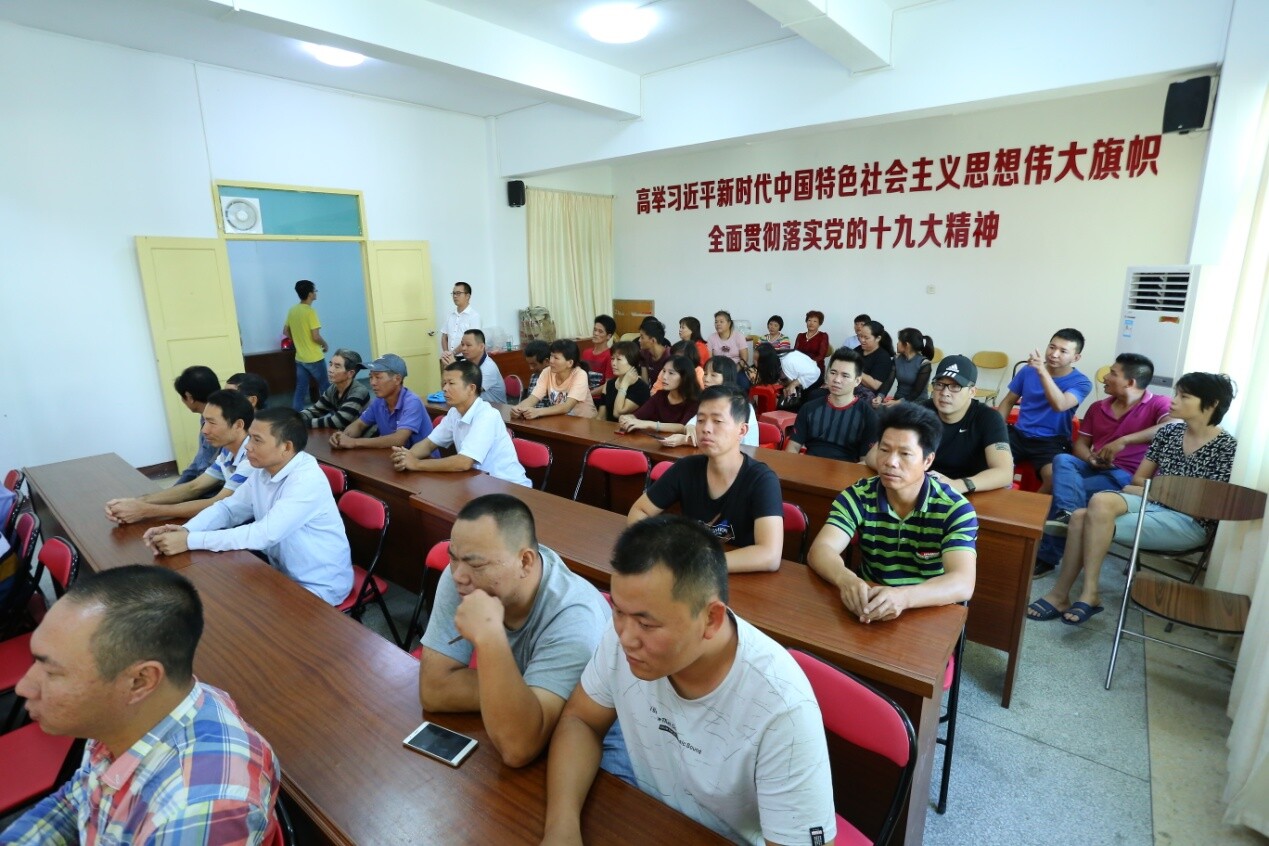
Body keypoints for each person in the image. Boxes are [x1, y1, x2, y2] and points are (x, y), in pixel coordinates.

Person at [540, 516, 835, 846]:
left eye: (647, 625)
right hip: (652, 819)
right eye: (618, 611)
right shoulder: (624, 635)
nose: (626, 637)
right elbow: (581, 720)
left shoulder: (782, 708)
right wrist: (561, 828)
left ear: (711, 619)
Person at [4, 565, 279, 844]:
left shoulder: (196, 811)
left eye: (52, 673)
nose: (24, 687)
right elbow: (79, 800)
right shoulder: (128, 714)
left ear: (139, 681)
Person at [418, 494, 621, 770]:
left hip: (599, 748)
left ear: (525, 562)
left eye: (476, 565)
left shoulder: (576, 617)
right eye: (453, 558)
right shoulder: (465, 579)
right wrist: (518, 695)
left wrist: (490, 638)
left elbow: (518, 746)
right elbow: (433, 690)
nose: (458, 575)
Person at [1027, 373, 1237, 626]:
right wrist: (1161, 493)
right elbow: (1138, 481)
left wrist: (1156, 493)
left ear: (1212, 404)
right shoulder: (1169, 433)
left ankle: (1065, 595)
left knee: (1083, 519)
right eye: (1176, 394)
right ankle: (1083, 593)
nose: (1174, 400)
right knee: (1095, 505)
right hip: (1154, 503)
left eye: (1184, 396)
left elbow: (1204, 507)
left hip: (1188, 522)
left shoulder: (1226, 447)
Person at [144, 408, 354, 605]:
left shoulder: (306, 481)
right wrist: (186, 530)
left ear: (286, 447)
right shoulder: (264, 470)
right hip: (281, 573)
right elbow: (228, 509)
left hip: (319, 585)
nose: (247, 446)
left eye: (257, 440)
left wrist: (190, 541)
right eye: (249, 437)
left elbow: (263, 534)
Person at [808, 403, 977, 623]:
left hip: (926, 607)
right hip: (869, 603)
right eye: (884, 450)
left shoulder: (955, 509)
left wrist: (904, 597)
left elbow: (963, 582)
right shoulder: (859, 496)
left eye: (905, 454)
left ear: (927, 461)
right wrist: (846, 579)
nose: (890, 462)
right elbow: (821, 549)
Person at [1034, 353, 1174, 575]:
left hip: (1126, 476)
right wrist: (1090, 458)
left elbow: (1172, 427)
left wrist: (1124, 440)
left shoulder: (1158, 403)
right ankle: (1068, 514)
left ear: (1130, 382)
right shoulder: (1098, 407)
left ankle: (1047, 556)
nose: (1105, 377)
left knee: (1064, 492)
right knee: (1062, 459)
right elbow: (1081, 445)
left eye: (1112, 373)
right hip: (1094, 467)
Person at [629, 385, 783, 573]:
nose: (706, 429)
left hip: (737, 574)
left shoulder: (761, 480)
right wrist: (660, 547)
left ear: (742, 431)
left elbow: (770, 555)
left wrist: (701, 562)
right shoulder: (686, 468)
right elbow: (640, 510)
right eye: (700, 420)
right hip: (690, 573)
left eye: (717, 421)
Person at [105, 389, 256, 525]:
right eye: (204, 421)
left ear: (238, 425)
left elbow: (217, 504)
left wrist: (145, 510)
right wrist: (137, 501)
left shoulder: (251, 458)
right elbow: (194, 487)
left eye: (212, 422)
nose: (204, 430)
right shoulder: (227, 451)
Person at [391, 360, 530, 486]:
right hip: (479, 483)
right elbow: (429, 444)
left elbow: (464, 462)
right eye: (444, 383)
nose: (445, 388)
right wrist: (406, 457)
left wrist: (416, 464)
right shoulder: (454, 412)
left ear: (471, 388)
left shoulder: (487, 415)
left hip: (508, 487)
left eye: (451, 383)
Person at [997, 328, 1093, 493]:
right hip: (1019, 435)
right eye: (1052, 347)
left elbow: (1060, 405)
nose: (1054, 354)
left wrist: (1042, 371)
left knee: (1055, 480)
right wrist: (996, 432)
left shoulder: (1081, 382)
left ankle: (1028, 508)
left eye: (1063, 351)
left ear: (1076, 358)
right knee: (987, 463)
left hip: (1052, 441)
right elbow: (1008, 402)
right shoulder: (1028, 370)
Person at [905, 355, 1014, 495]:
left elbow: (1004, 473)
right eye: (940, 384)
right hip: (924, 488)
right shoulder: (921, 412)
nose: (945, 393)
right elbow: (884, 453)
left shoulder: (989, 418)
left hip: (972, 493)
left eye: (955, 386)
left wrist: (957, 485)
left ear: (972, 392)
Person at [786, 347, 877, 462]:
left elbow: (865, 461)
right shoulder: (809, 408)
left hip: (847, 470)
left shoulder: (867, 415)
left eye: (845, 376)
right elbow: (793, 447)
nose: (837, 380)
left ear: (857, 381)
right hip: (809, 467)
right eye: (833, 373)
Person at [330, 353, 435, 450]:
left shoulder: (412, 402)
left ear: (397, 379)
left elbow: (399, 439)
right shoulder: (379, 402)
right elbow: (359, 425)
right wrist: (342, 437)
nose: (372, 382)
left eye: (378, 377)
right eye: (371, 377)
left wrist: (354, 442)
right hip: (393, 457)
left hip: (423, 460)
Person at [664, 356, 759, 448]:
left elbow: (723, 440)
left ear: (727, 378)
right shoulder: (709, 402)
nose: (706, 379)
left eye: (713, 375)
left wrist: (685, 440)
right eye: (705, 374)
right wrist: (690, 428)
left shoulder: (741, 405)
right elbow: (691, 423)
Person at [512, 339, 596, 419]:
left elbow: (567, 406)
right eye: (551, 356)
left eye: (556, 358)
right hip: (562, 422)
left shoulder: (580, 374)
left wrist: (538, 412)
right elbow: (533, 398)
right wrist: (518, 409)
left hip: (585, 422)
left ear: (570, 363)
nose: (551, 361)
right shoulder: (546, 372)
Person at [617, 355, 700, 435]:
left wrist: (649, 424)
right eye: (663, 371)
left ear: (684, 377)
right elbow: (638, 415)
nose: (664, 377)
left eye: (671, 373)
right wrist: (627, 418)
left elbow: (683, 427)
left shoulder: (695, 400)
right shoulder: (660, 396)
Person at [283, 279, 329, 411]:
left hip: (300, 358)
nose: (316, 293)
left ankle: (295, 416)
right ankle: (334, 414)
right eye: (315, 291)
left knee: (301, 389)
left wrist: (297, 340)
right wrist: (325, 344)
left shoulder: (292, 310)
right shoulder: (310, 312)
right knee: (326, 387)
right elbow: (316, 336)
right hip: (314, 358)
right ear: (310, 294)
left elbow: (285, 331)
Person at [299, 348, 372, 430]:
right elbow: (316, 410)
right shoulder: (333, 388)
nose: (330, 370)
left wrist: (304, 423)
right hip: (345, 434)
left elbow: (338, 422)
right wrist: (294, 417)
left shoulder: (359, 391)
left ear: (350, 373)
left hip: (365, 436)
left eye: (337, 367)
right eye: (330, 364)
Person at [172, 365, 221, 484]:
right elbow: (198, 462)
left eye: (182, 397)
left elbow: (207, 469)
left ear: (189, 397)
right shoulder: (206, 416)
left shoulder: (218, 422)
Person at [442, 328, 507, 404]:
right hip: (473, 405)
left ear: (481, 347)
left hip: (494, 408)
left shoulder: (489, 368)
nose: (463, 348)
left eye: (468, 345)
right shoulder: (464, 362)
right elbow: (447, 387)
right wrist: (447, 368)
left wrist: (454, 367)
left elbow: (469, 391)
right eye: (462, 344)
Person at [751, 342, 822, 406]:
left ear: (767, 360)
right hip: (795, 386)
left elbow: (815, 372)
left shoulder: (789, 361)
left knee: (789, 408)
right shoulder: (774, 361)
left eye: (758, 360)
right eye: (754, 359)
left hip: (812, 383)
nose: (755, 363)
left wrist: (793, 384)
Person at [598, 340, 651, 421]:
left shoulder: (641, 388)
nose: (613, 363)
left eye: (619, 359)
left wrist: (624, 384)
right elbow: (601, 417)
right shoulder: (609, 384)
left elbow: (617, 413)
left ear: (632, 361)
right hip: (608, 428)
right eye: (612, 358)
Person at [883, 327, 934, 402]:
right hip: (897, 399)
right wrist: (880, 396)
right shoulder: (896, 359)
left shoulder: (924, 363)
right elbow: (889, 381)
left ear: (907, 345)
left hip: (917, 402)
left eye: (899, 341)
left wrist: (897, 402)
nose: (897, 343)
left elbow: (916, 392)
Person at [855, 320, 895, 398]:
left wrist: (854, 369)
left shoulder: (883, 358)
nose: (862, 340)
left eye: (866, 338)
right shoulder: (857, 350)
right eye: (860, 336)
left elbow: (874, 385)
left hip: (866, 396)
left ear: (878, 338)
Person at [440, 281, 480, 357]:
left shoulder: (474, 316)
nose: (455, 296)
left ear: (467, 296)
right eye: (453, 293)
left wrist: (453, 353)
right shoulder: (450, 315)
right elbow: (444, 337)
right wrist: (446, 353)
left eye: (458, 293)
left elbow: (469, 341)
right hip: (450, 357)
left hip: (466, 358)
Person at [581, 314, 617, 393]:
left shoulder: (610, 356)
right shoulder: (586, 352)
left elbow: (608, 385)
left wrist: (589, 394)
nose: (596, 333)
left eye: (600, 331)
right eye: (595, 330)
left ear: (608, 336)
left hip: (598, 397)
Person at [637, 318, 672, 385]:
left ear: (653, 340)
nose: (639, 340)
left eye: (642, 337)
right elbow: (645, 383)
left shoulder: (670, 356)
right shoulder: (643, 353)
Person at [523, 340, 552, 407]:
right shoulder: (534, 376)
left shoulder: (556, 379)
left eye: (534, 364)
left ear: (547, 362)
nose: (531, 368)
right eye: (529, 364)